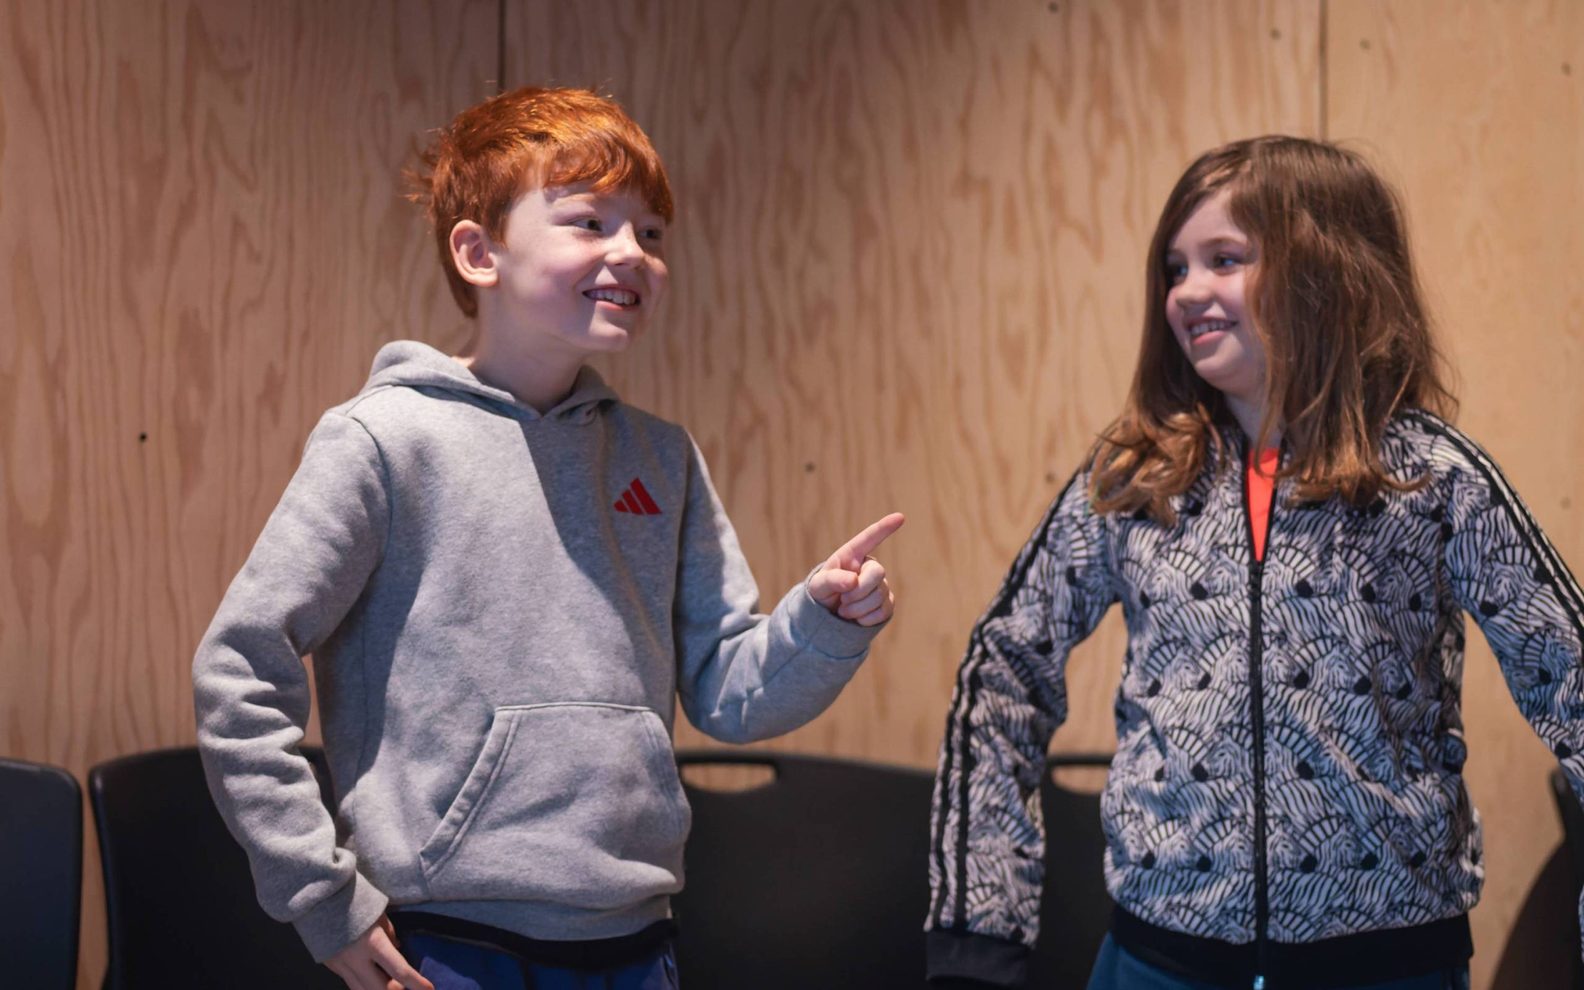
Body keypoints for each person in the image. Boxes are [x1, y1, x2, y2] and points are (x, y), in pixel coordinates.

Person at [193, 86, 903, 990]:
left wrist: (825, 622)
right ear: (478, 252)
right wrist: (321, 896)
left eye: (651, 232)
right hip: (442, 939)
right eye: (589, 221)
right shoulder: (386, 440)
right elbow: (239, 670)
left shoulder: (661, 457)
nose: (631, 252)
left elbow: (730, 690)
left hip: (636, 938)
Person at [925, 135, 1581, 989]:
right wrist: (978, 938)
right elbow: (1003, 672)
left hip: (1388, 967)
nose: (1186, 292)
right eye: (1175, 268)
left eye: (1224, 260)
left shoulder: (1430, 479)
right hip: (1157, 962)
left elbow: (1573, 677)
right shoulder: (1138, 479)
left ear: (1326, 272)